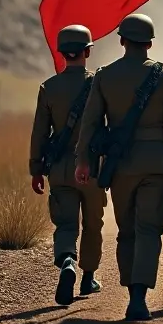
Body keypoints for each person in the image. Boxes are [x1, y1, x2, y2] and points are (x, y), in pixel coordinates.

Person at [75, 13, 163, 321]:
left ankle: (132, 293)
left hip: (120, 166)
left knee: (127, 230)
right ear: (150, 43)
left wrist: (83, 161)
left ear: (122, 41)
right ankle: (139, 297)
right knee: (148, 230)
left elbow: (90, 123)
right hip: (156, 163)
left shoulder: (104, 76)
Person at [28, 25, 107, 305]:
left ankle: (67, 262)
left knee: (65, 223)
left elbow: (39, 132)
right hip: (93, 169)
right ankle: (88, 278)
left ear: (62, 53)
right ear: (87, 51)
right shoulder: (99, 84)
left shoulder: (48, 88)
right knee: (93, 224)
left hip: (61, 169)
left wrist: (35, 169)